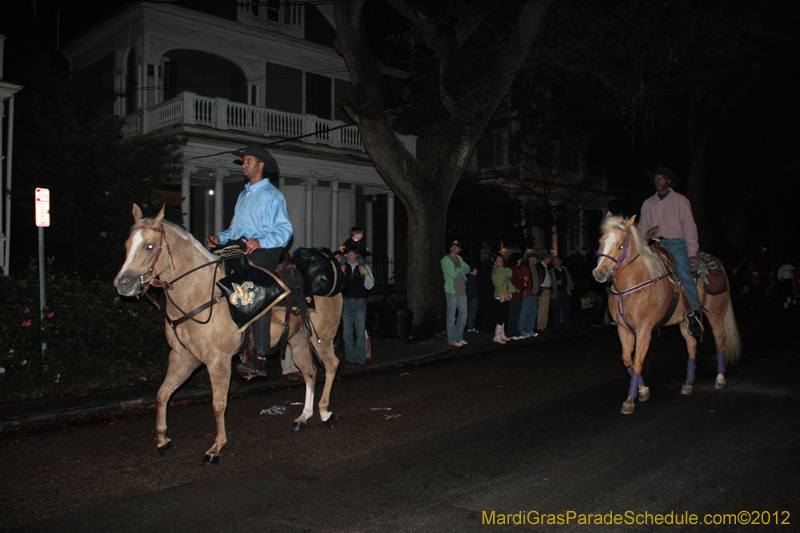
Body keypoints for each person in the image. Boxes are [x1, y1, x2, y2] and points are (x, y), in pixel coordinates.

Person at [206, 144, 293, 376]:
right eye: (243, 161)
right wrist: (219, 237)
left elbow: (285, 231)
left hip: (265, 250)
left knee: (255, 290)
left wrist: (260, 241)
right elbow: (235, 230)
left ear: (260, 165)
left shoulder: (273, 195)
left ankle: (260, 355)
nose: (243, 165)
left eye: (248, 161)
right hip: (241, 249)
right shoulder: (244, 195)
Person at [638, 166, 703, 337]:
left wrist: (692, 253)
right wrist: (647, 233)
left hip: (676, 243)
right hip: (654, 245)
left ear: (668, 181)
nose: (657, 180)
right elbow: (641, 227)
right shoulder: (648, 203)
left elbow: (689, 227)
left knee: (683, 270)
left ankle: (692, 313)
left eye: (660, 178)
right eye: (656, 178)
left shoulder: (681, 201)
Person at [340, 244, 375, 367]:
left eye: (351, 254)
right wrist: (340, 273)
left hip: (359, 301)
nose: (349, 257)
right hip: (346, 302)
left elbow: (370, 286)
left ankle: (359, 359)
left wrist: (366, 274)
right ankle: (349, 358)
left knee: (360, 331)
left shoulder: (363, 267)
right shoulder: (343, 268)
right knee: (347, 332)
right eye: (347, 254)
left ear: (356, 255)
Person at [441, 240, 471, 347]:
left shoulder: (459, 259)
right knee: (451, 316)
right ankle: (451, 339)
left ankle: (459, 337)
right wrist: (461, 271)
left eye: (457, 247)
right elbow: (453, 275)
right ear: (450, 248)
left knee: (463, 315)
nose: (455, 248)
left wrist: (459, 270)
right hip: (452, 292)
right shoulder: (445, 260)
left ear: (459, 249)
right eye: (453, 246)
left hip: (462, 291)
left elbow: (467, 268)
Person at [491, 253, 515, 344]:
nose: (501, 262)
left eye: (502, 260)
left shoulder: (500, 270)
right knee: (501, 314)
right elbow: (507, 274)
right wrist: (506, 272)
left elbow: (508, 274)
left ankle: (501, 334)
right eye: (499, 260)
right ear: (495, 262)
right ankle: (497, 336)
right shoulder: (496, 270)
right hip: (500, 294)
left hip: (505, 293)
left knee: (504, 314)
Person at [549, 255, 574, 334]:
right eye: (554, 262)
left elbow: (569, 278)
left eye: (557, 261)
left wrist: (570, 287)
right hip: (557, 294)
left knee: (567, 311)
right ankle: (557, 328)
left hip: (565, 293)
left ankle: (566, 327)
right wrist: (555, 283)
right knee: (557, 311)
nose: (556, 263)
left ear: (560, 261)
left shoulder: (565, 270)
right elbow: (550, 283)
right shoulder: (552, 272)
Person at [518, 254, 540, 338]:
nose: (533, 261)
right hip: (527, 294)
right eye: (531, 259)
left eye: (535, 260)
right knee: (524, 312)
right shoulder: (525, 268)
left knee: (532, 313)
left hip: (534, 294)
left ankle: (529, 329)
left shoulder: (536, 269)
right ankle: (521, 329)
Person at [506, 253, 525, 340]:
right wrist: (523, 281)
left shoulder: (518, 269)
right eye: (519, 259)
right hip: (514, 295)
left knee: (517, 314)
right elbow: (513, 281)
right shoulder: (512, 269)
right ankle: (511, 332)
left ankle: (515, 331)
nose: (521, 261)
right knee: (513, 314)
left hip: (519, 294)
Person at [536, 253, 553, 332]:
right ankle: (540, 325)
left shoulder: (545, 267)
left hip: (547, 289)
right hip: (543, 290)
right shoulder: (540, 267)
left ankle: (544, 324)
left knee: (546, 307)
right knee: (542, 308)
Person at [466, 267, 480, 333]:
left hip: (471, 298)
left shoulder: (471, 278)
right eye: (475, 269)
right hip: (472, 298)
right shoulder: (471, 278)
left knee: (471, 313)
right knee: (472, 313)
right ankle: (470, 327)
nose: (476, 271)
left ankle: (470, 326)